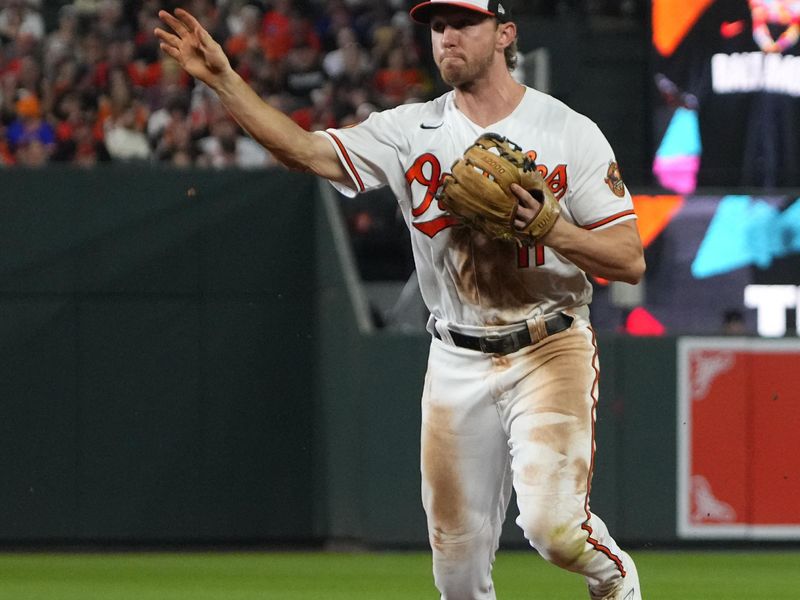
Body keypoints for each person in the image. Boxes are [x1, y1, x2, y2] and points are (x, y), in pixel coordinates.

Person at [156, 1, 645, 598]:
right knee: (457, 575)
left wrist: (553, 229)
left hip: (549, 345)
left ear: (505, 34)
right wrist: (224, 80)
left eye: (463, 24)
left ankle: (615, 578)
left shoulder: (568, 130)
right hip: (455, 357)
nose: (447, 38)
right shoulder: (410, 129)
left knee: (554, 529)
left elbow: (628, 259)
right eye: (437, 27)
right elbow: (303, 151)